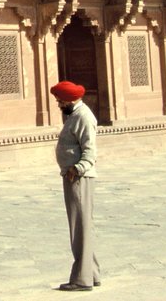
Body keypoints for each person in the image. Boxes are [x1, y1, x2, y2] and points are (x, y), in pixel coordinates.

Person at [51, 80, 100, 292]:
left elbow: (90, 150)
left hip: (79, 178)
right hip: (73, 176)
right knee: (82, 226)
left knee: (79, 228)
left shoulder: (83, 117)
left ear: (69, 100)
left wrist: (77, 168)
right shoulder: (75, 115)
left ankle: (82, 279)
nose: (59, 105)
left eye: (60, 101)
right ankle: (92, 273)